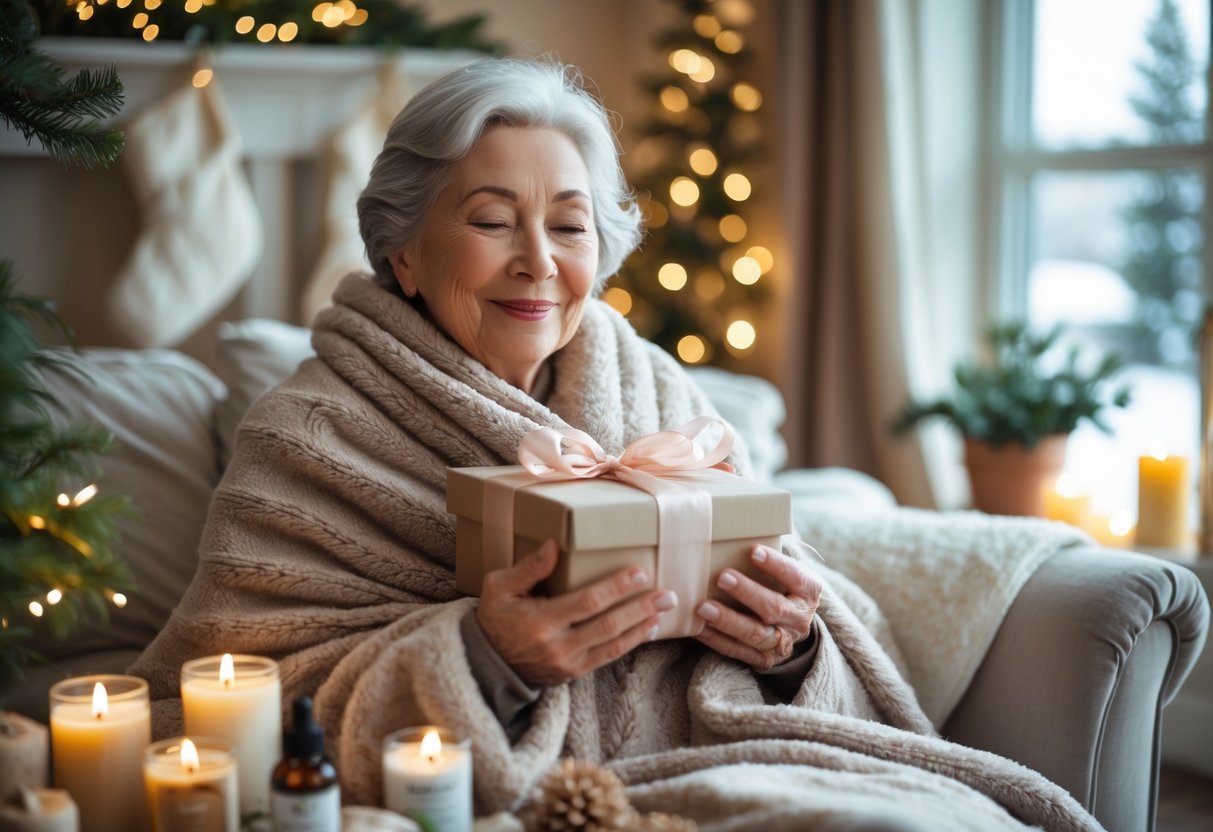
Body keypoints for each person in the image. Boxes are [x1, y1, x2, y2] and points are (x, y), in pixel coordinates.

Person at [132, 58, 1095, 831]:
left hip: (723, 763)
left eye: (568, 225)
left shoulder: (656, 393)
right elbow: (229, 702)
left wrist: (788, 647)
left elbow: (813, 610)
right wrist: (481, 656)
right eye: (491, 221)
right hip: (489, 800)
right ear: (403, 253)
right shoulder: (309, 437)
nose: (539, 261)